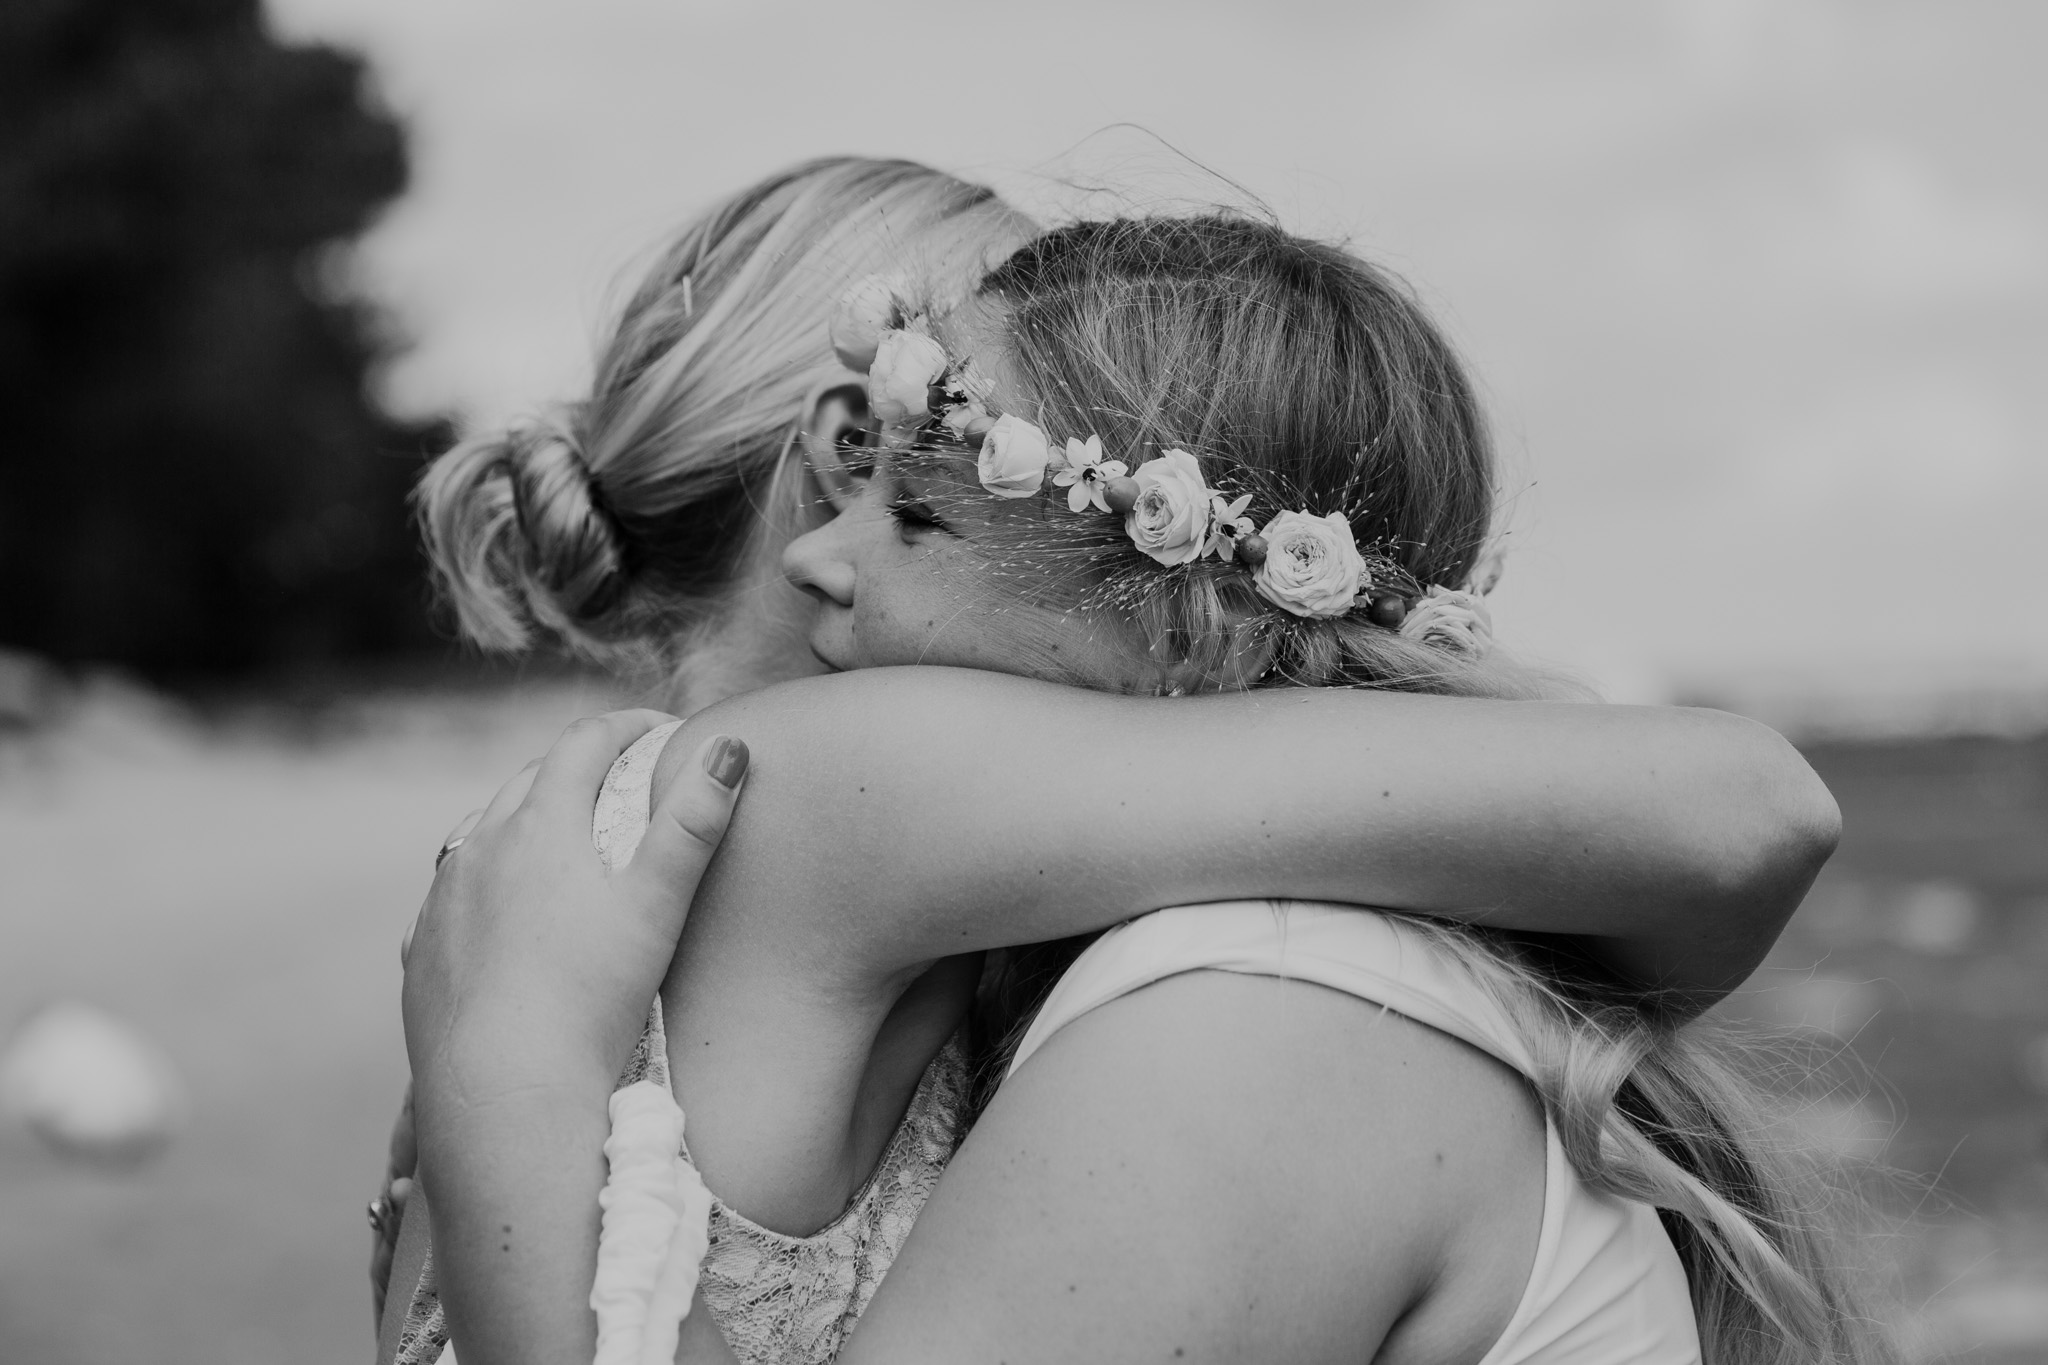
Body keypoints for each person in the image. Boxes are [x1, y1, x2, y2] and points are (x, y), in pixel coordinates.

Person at [399, 211, 1882, 1365]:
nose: (820, 557)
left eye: (911, 501)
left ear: (1175, 618)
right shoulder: (1287, 971)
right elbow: (1741, 815)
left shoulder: (1260, 1017)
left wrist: (521, 1083)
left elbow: (1748, 810)